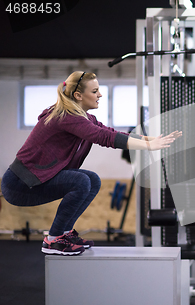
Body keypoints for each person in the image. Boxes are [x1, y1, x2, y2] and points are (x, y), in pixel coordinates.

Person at [1, 71, 182, 255]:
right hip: (19, 184)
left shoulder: (84, 118)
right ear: (78, 95)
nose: (100, 95)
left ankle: (63, 234)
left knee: (92, 180)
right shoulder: (66, 116)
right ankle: (53, 240)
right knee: (80, 182)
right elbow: (104, 137)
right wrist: (148, 147)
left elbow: (110, 131)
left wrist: (152, 140)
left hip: (32, 180)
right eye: (95, 91)